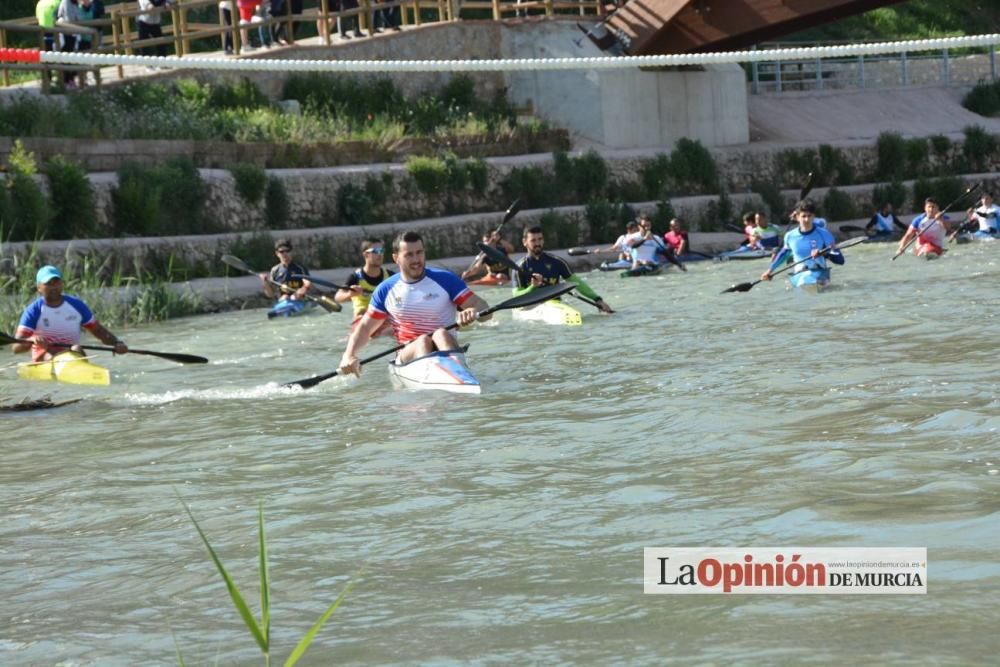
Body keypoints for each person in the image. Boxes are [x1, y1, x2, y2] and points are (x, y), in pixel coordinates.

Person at [338, 231, 491, 376]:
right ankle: (439, 377)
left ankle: (458, 375)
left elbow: (485, 310)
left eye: (420, 252)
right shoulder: (386, 289)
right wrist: (348, 355)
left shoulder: (446, 279)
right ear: (396, 258)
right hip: (408, 355)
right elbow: (365, 328)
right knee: (423, 340)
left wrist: (473, 312)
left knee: (441, 334)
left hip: (446, 348)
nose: (416, 260)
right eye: (409, 255)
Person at [11, 265, 128, 362]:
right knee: (50, 354)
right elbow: (16, 348)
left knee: (77, 348)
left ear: (61, 284)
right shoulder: (33, 310)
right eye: (48, 283)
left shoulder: (76, 305)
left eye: (56, 282)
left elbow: (99, 331)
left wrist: (117, 343)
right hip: (44, 354)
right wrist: (32, 340)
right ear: (39, 288)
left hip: (72, 352)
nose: (53, 287)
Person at [514, 226, 614, 312]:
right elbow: (516, 295)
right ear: (524, 242)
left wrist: (597, 299)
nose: (538, 243)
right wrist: (532, 287)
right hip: (530, 307)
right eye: (533, 240)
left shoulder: (557, 262)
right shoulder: (520, 267)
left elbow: (577, 283)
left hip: (555, 305)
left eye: (540, 239)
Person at [761, 200, 844, 288]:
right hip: (799, 274)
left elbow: (840, 261)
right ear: (797, 217)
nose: (807, 219)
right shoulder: (790, 236)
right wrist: (769, 270)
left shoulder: (824, 234)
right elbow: (783, 255)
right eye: (803, 216)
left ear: (814, 217)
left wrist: (824, 253)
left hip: (819, 273)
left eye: (809, 216)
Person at [334, 237, 394, 336]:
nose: (380, 254)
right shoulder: (355, 277)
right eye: (375, 251)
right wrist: (350, 293)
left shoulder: (390, 275)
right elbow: (337, 297)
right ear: (366, 254)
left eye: (381, 251)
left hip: (384, 319)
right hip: (363, 319)